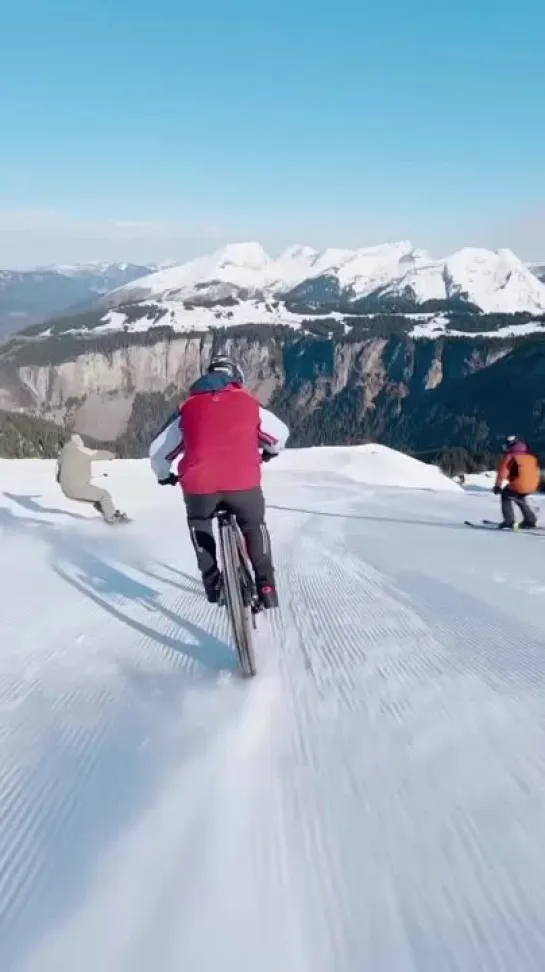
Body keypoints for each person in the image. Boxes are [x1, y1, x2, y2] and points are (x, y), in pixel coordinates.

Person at [148, 355, 289, 608]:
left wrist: (163, 475)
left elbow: (159, 451)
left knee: (199, 523)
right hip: (243, 485)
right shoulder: (250, 405)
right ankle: (267, 587)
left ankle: (213, 586)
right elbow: (279, 436)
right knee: (253, 526)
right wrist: (269, 452)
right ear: (237, 378)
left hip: (199, 487)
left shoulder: (188, 409)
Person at [56, 433, 127, 524]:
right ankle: (112, 518)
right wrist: (113, 455)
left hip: (65, 490)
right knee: (104, 495)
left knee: (96, 500)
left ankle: (109, 514)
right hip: (78, 488)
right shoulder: (81, 450)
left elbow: (57, 475)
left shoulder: (63, 454)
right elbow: (97, 454)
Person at [493, 435, 540, 529]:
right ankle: (530, 520)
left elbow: (503, 472)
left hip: (520, 484)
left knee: (506, 494)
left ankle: (509, 521)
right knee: (518, 496)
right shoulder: (530, 456)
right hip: (534, 485)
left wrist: (498, 485)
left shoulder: (511, 456)